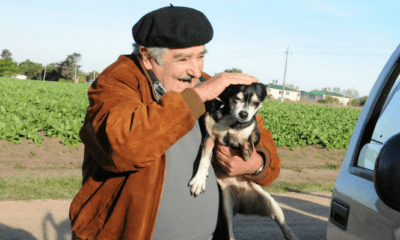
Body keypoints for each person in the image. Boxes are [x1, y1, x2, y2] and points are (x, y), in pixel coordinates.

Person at [70, 5, 281, 240]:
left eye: (200, 56)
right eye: (183, 58)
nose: (195, 70)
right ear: (148, 57)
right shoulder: (117, 83)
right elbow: (123, 148)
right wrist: (197, 98)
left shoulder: (204, 84)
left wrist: (254, 163)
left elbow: (259, 135)